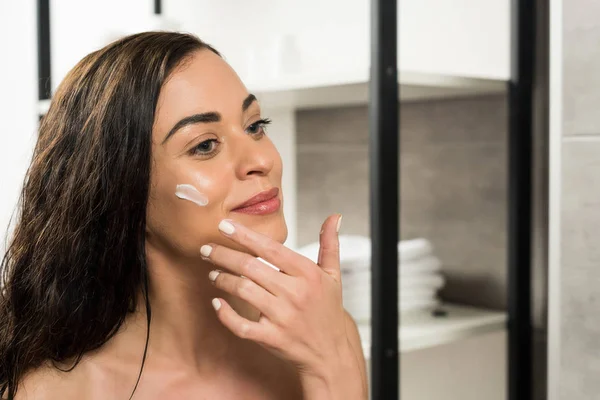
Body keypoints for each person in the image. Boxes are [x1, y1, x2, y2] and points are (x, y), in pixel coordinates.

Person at [0, 32, 368, 399]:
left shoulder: (324, 333)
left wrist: (331, 366)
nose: (262, 160)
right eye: (205, 145)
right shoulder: (52, 391)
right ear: (123, 188)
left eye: (255, 126)